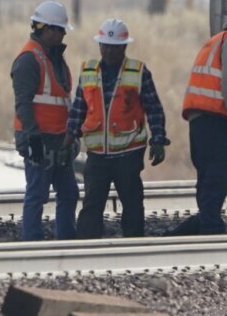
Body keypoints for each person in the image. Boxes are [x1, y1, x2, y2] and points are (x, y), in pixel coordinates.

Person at [67, 19, 168, 238]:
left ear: (124, 47)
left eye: (115, 47)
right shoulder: (88, 71)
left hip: (129, 152)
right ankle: (86, 247)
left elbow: (153, 108)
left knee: (132, 203)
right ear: (99, 45)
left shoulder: (138, 72)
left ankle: (133, 245)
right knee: (92, 204)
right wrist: (69, 138)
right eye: (105, 46)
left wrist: (158, 139)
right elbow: (78, 109)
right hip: (97, 154)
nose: (109, 51)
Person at [172, 5, 227, 235]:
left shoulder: (214, 41)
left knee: (207, 177)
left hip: (200, 119)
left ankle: (200, 225)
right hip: (218, 119)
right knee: (218, 175)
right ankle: (210, 227)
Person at [13, 0, 76, 240]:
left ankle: (66, 241)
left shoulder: (54, 57)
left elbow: (62, 100)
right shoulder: (29, 59)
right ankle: (31, 243)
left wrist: (71, 136)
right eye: (59, 30)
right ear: (46, 29)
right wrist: (32, 137)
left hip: (59, 139)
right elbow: (23, 103)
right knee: (37, 194)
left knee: (69, 193)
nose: (62, 35)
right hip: (40, 138)